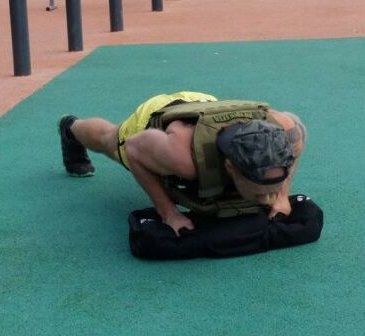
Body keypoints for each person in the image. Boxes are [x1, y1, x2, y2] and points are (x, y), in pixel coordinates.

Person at [58, 91, 307, 236]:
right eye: (259, 193)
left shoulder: (283, 133)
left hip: (207, 104)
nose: (266, 200)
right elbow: (133, 148)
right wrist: (169, 213)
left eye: (270, 192)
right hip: (159, 117)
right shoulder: (182, 158)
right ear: (230, 168)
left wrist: (282, 195)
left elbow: (298, 129)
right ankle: (71, 128)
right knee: (108, 140)